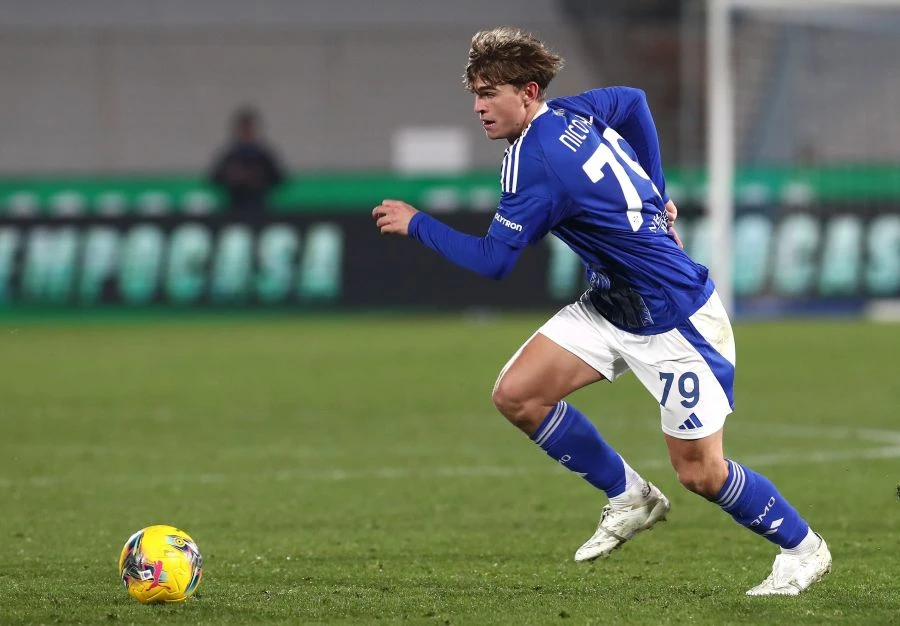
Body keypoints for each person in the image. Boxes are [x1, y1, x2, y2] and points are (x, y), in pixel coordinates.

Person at [372, 26, 831, 596]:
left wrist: (418, 223)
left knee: (701, 474)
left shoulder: (535, 163)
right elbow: (633, 102)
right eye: (475, 94)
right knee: (519, 395)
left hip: (675, 319)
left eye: (489, 94)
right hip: (612, 305)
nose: (478, 108)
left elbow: (494, 261)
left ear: (528, 92)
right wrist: (657, 192)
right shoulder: (573, 112)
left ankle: (803, 549)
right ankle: (630, 496)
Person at [208, 106, 286, 212]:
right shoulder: (230, 157)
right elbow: (214, 179)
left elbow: (279, 179)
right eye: (243, 129)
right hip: (234, 208)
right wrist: (232, 177)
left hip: (260, 208)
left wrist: (258, 178)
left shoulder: (264, 157)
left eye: (249, 129)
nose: (246, 133)